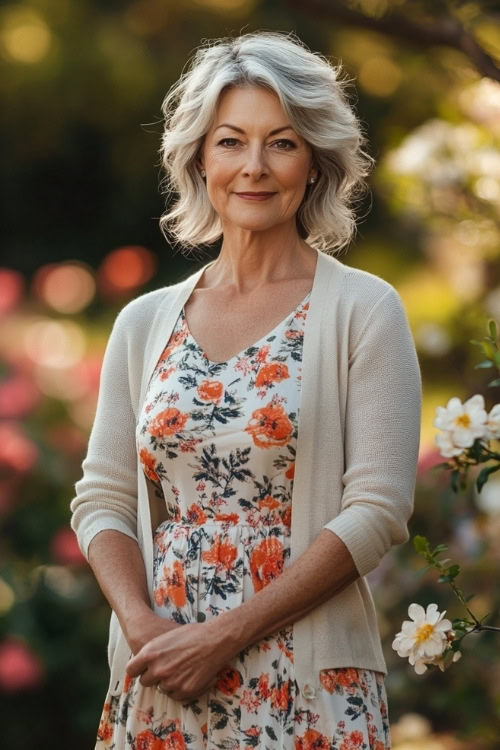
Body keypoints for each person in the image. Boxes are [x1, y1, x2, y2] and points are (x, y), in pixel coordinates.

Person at [70, 30, 422, 749]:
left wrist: (223, 637)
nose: (254, 167)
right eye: (231, 141)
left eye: (282, 143)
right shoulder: (144, 323)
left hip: (309, 686)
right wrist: (146, 633)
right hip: (163, 677)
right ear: (199, 157)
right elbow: (102, 498)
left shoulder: (366, 310)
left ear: (317, 161)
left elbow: (379, 509)